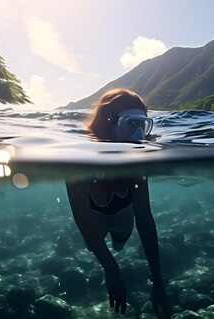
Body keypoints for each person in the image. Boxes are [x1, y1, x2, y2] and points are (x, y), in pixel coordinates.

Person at [65, 88, 171, 317]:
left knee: (119, 244)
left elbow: (144, 217)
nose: (138, 135)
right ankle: (108, 247)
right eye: (131, 124)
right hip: (94, 224)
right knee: (92, 243)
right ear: (108, 123)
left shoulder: (137, 165)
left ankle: (117, 243)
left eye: (143, 125)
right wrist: (111, 268)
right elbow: (82, 218)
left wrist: (158, 280)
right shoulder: (78, 160)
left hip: (124, 225)